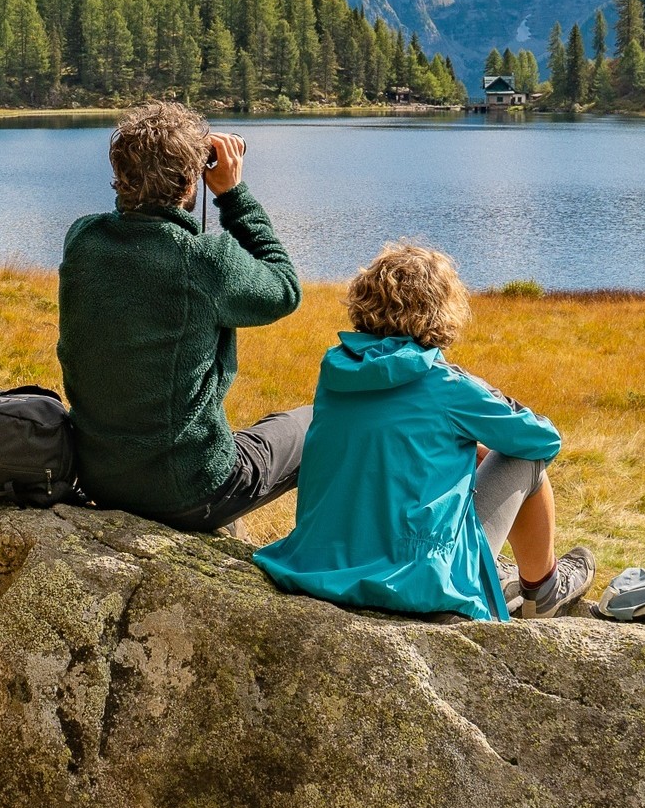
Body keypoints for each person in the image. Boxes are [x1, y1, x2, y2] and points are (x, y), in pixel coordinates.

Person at [253, 243, 595, 621]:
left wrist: (466, 446)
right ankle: (544, 590)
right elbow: (543, 440)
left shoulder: (335, 371)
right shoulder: (446, 384)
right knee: (523, 460)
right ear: (441, 312)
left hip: (319, 565)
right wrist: (480, 408)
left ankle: (502, 571)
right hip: (416, 582)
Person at [58, 102, 307, 533]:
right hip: (188, 490)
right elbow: (285, 290)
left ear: (121, 171)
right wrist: (233, 195)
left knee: (258, 433)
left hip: (100, 478)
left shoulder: (83, 238)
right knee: (313, 423)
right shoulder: (203, 259)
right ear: (191, 178)